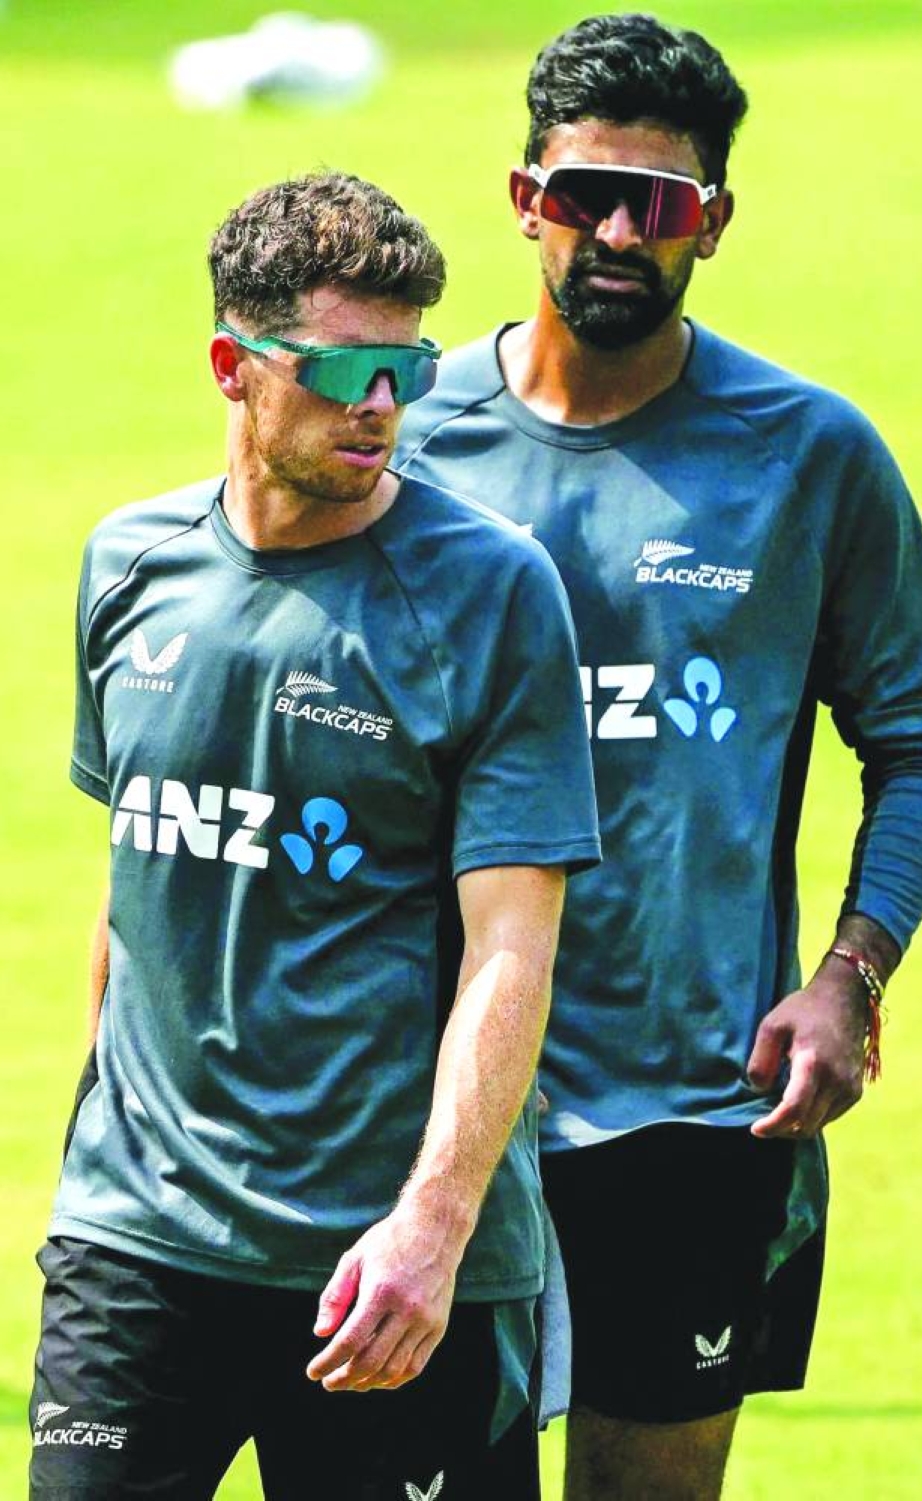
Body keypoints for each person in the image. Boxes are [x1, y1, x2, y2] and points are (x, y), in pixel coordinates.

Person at [395, 14, 922, 1500]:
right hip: (417, 1101)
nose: (614, 234)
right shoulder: (405, 442)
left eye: (655, 205)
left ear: (711, 222)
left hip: (693, 1104)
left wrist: (850, 976)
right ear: (523, 197)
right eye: (583, 193)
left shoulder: (810, 455)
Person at [28, 170, 601, 1501]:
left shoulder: (492, 593)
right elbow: (137, 890)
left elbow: (511, 948)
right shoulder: (129, 565)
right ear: (233, 367)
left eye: (407, 367)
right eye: (342, 369)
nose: (381, 402)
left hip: (385, 1268)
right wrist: (92, 1164)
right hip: (138, 1243)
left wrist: (434, 1227)